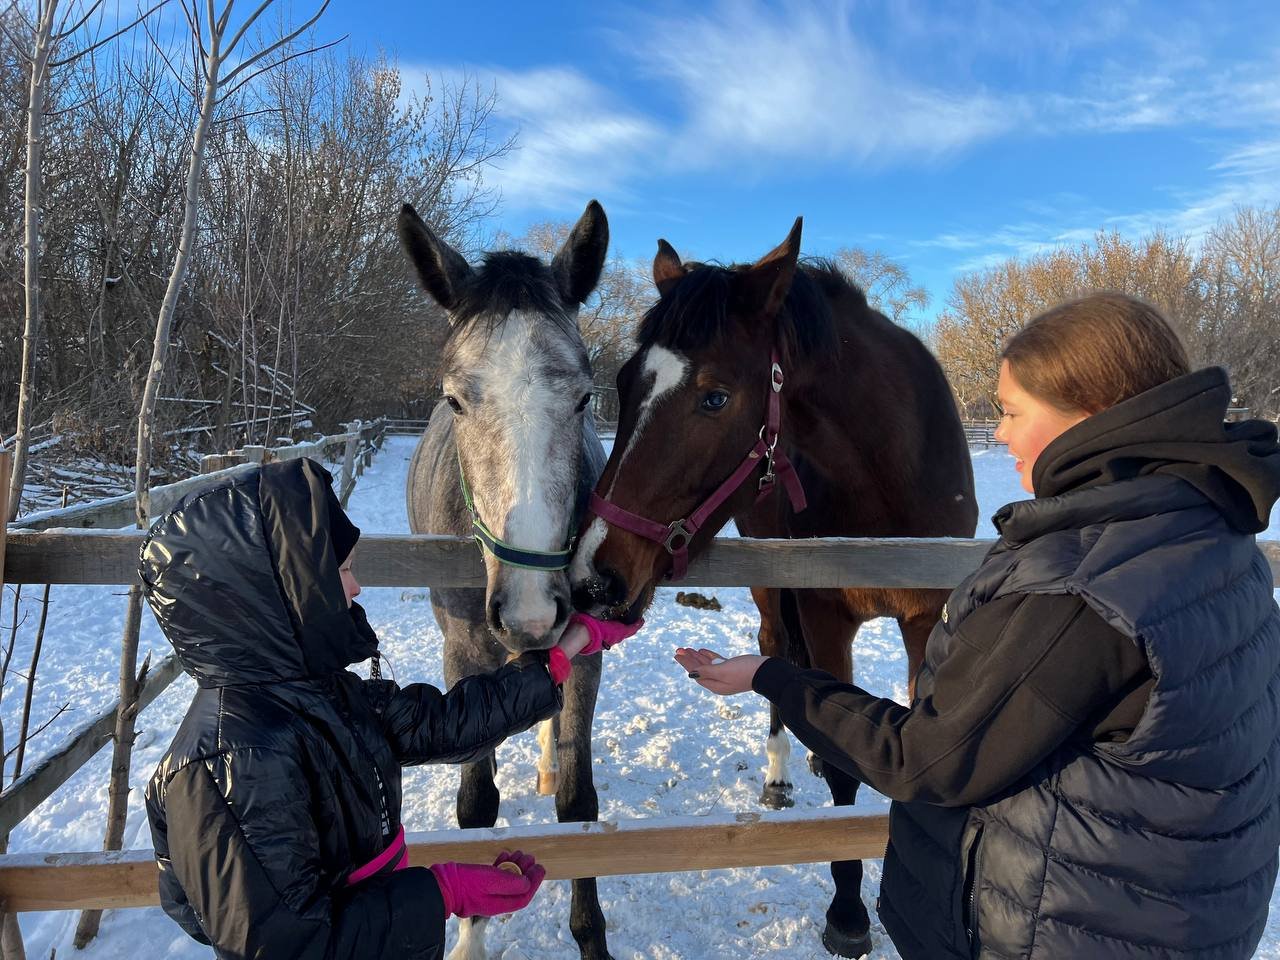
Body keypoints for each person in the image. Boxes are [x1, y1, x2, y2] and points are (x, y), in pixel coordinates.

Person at [675, 292, 1280, 959]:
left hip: (1065, 929)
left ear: (1093, 410)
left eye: (1012, 412)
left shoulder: (1080, 587)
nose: (1002, 436)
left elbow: (925, 759)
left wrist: (771, 675)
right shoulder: (1216, 532)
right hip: (1183, 912)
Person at [142, 457, 638, 959]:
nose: (356, 587)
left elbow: (445, 724)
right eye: (342, 570)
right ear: (276, 594)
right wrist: (439, 894)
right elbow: (293, 948)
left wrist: (562, 653)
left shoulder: (318, 696)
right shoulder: (230, 763)